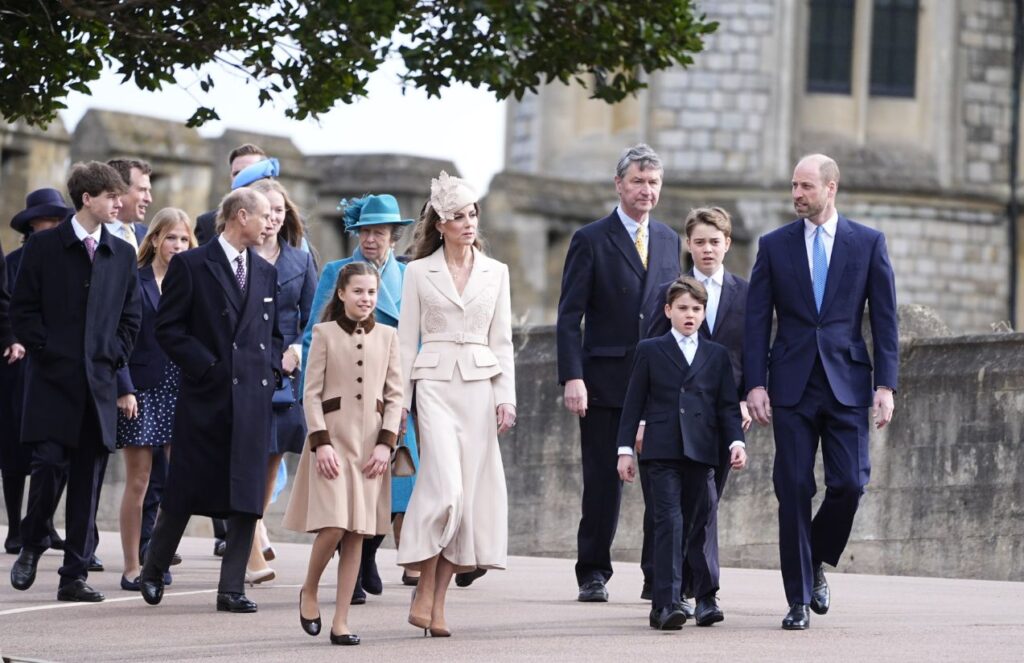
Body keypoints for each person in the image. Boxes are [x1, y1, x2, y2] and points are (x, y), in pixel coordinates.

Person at [744, 154, 898, 630]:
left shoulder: (868, 243)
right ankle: (797, 600)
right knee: (792, 488)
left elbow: (887, 320)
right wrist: (754, 383)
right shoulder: (773, 246)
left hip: (847, 384)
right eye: (793, 185)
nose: (797, 194)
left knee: (850, 483)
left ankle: (815, 560)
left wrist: (886, 385)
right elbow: (755, 320)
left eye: (806, 186)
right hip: (790, 385)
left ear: (831, 188)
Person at [138, 188, 281, 613]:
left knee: (247, 496)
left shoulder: (265, 271)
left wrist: (270, 371)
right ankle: (153, 568)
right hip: (206, 398)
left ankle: (231, 588)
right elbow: (169, 329)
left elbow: (272, 335)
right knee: (184, 490)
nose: (270, 223)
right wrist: (207, 368)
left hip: (253, 402)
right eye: (263, 216)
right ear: (240, 216)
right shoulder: (191, 265)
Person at [9, 162, 141, 602]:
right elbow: (21, 310)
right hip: (51, 380)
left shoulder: (121, 253)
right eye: (110, 197)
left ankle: (74, 575)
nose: (119, 203)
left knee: (89, 477)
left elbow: (131, 315)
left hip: (98, 384)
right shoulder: (45, 246)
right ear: (87, 198)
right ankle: (32, 543)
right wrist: (46, 349)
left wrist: (113, 354)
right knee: (48, 466)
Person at [556, 144, 682, 602]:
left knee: (660, 480)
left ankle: (657, 576)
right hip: (604, 381)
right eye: (637, 181)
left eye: (653, 183)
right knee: (603, 483)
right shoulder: (591, 238)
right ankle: (592, 571)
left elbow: (677, 312)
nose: (646, 190)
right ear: (619, 184)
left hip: (657, 382)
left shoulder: (670, 240)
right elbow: (570, 316)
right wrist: (573, 376)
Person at [396, 171, 516, 637]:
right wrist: (399, 404)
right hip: (433, 386)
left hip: (480, 390)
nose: (468, 223)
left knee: (467, 504)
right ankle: (423, 585)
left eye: (472, 214)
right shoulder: (416, 272)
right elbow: (407, 342)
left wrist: (506, 398)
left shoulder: (497, 272)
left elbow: (502, 340)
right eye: (458, 216)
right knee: (443, 492)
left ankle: (436, 598)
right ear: (440, 223)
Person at [302, 193, 420, 601]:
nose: (371, 239)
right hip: (344, 399)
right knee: (345, 491)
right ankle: (350, 568)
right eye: (365, 231)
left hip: (393, 396)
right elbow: (312, 332)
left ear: (394, 237)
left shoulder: (409, 278)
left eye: (380, 232)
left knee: (392, 485)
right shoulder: (337, 271)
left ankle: (367, 555)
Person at [284, 261, 403, 646]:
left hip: (370, 448)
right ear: (341, 293)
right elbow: (311, 393)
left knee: (357, 533)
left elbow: (396, 396)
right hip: (332, 443)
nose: (365, 299)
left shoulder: (388, 336)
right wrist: (320, 444)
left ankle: (341, 620)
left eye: (371, 292)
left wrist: (386, 444)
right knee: (334, 525)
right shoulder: (322, 334)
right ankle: (310, 589)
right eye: (358, 292)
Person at [617, 277, 747, 630]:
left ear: (704, 314)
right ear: (668, 311)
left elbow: (726, 407)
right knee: (668, 523)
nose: (689, 315)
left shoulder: (716, 355)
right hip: (660, 450)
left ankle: (698, 595)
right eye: (682, 308)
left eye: (696, 309)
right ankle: (667, 604)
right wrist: (625, 450)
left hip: (702, 451)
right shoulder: (650, 349)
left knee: (696, 522)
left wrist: (736, 442)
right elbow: (633, 403)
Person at [641, 207, 752, 611]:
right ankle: (676, 588)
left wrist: (749, 395)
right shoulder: (670, 294)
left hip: (726, 415)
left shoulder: (747, 292)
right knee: (673, 505)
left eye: (715, 242)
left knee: (706, 505)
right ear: (689, 244)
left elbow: (756, 351)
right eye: (700, 242)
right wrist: (641, 419)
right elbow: (648, 354)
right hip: (673, 421)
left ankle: (697, 589)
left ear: (728, 244)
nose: (708, 249)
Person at [115, 209, 196, 590]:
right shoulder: (135, 278)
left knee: (175, 482)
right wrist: (124, 386)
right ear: (155, 240)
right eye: (170, 238)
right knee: (139, 481)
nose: (177, 246)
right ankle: (132, 566)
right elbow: (117, 335)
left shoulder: (194, 280)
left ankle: (157, 560)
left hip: (182, 388)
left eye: (183, 239)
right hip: (142, 389)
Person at [243, 178, 317, 585]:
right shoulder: (234, 256)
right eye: (266, 210)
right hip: (242, 371)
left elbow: (313, 319)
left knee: (272, 459)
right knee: (246, 459)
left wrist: (298, 352)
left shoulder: (300, 262)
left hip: (285, 377)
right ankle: (251, 543)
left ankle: (254, 527)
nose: (272, 218)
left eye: (279, 211)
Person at [1, 189, 69, 556]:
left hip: (55, 364)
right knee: (14, 449)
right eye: (50, 219)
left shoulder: (67, 262)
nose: (57, 225)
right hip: (15, 367)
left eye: (61, 220)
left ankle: (41, 523)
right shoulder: (12, 263)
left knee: (57, 449)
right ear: (32, 223)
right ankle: (15, 525)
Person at [195, 143, 267, 245]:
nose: (242, 178)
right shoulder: (207, 224)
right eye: (237, 173)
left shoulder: (282, 222)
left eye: (249, 172)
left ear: (265, 177)